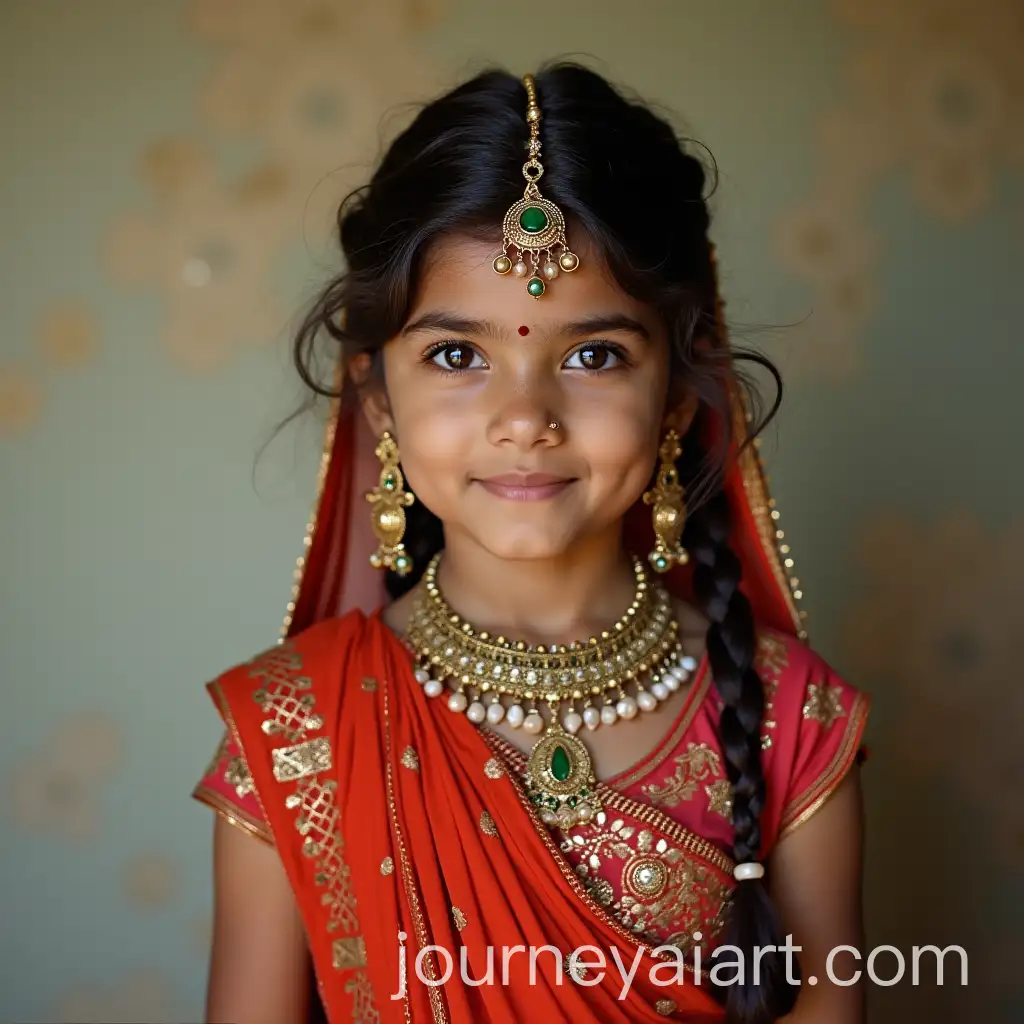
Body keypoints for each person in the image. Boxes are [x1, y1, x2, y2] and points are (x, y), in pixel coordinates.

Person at [192, 64, 869, 1024]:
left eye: (593, 356)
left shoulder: (789, 718)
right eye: (457, 355)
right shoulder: (295, 731)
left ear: (676, 398)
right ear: (378, 401)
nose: (525, 417)